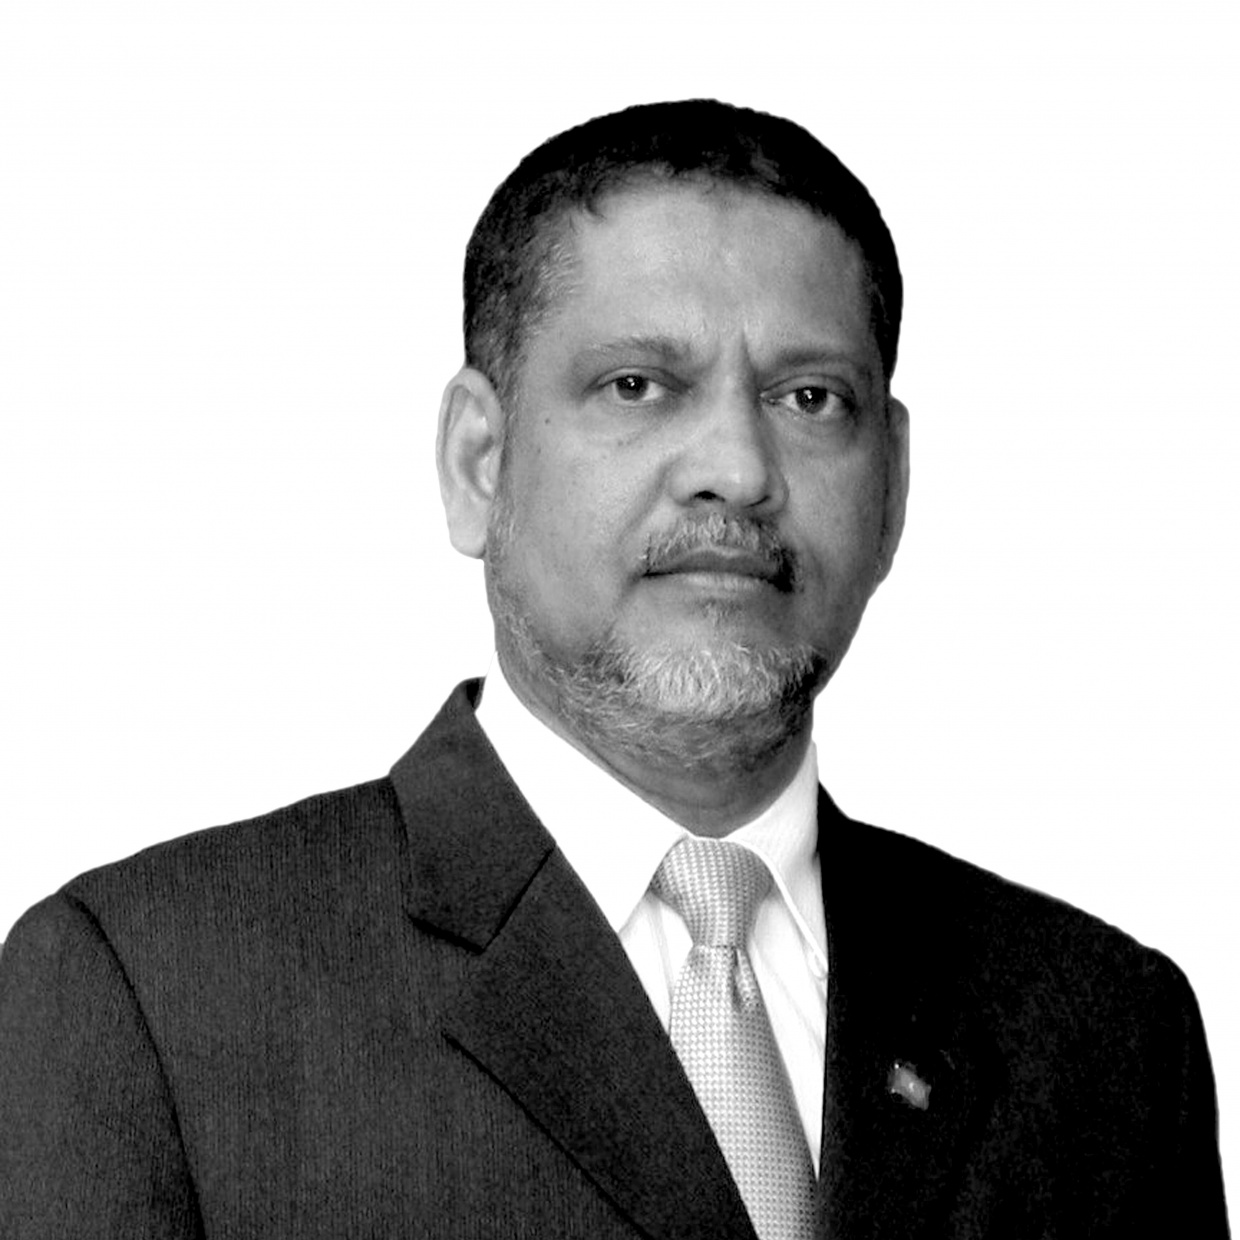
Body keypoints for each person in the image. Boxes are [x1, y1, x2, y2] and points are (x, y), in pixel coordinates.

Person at [0, 99, 1228, 1238]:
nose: (736, 469)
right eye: (637, 385)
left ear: (894, 484)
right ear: (479, 462)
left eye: (809, 397)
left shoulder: (1106, 1033)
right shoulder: (148, 996)